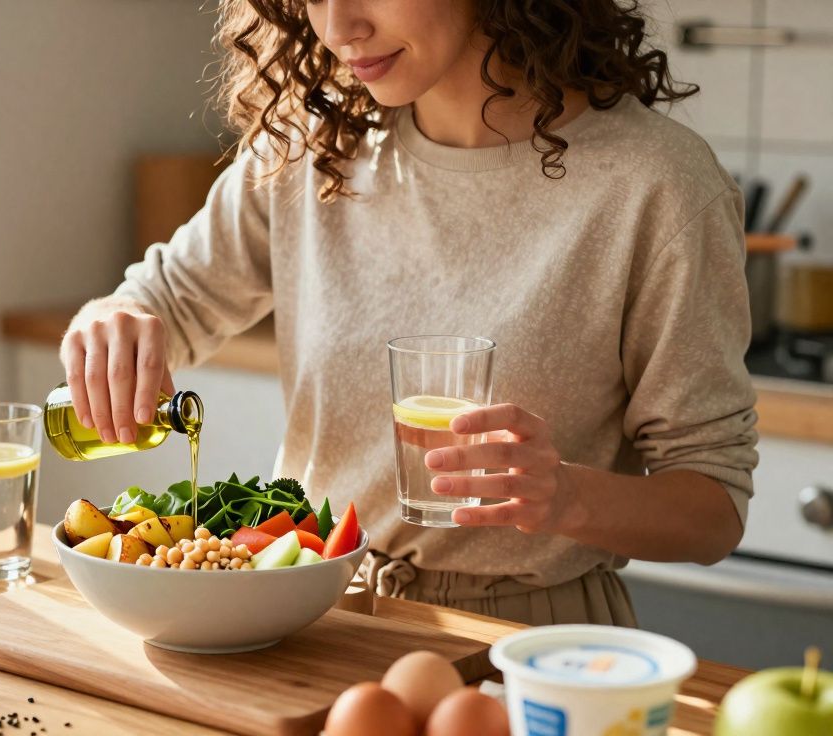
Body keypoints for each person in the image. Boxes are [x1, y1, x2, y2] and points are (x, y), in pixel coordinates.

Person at [57, 0, 758, 626]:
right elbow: (165, 301)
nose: (337, 27)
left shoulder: (658, 186)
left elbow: (712, 509)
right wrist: (113, 319)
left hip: (529, 643)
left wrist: (569, 497)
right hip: (311, 617)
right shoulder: (312, 143)